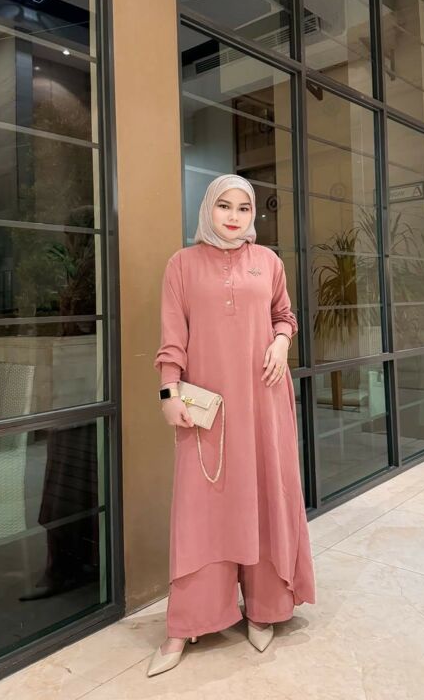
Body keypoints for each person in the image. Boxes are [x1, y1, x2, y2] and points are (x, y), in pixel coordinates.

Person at [148, 174, 316, 677]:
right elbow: (172, 337)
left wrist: (281, 342)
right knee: (202, 509)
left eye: (244, 208)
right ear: (208, 209)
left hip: (264, 400)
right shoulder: (181, 264)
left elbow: (285, 315)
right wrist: (167, 391)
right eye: (224, 206)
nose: (234, 216)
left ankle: (265, 609)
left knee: (264, 496)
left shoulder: (268, 262)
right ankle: (188, 621)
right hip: (210, 410)